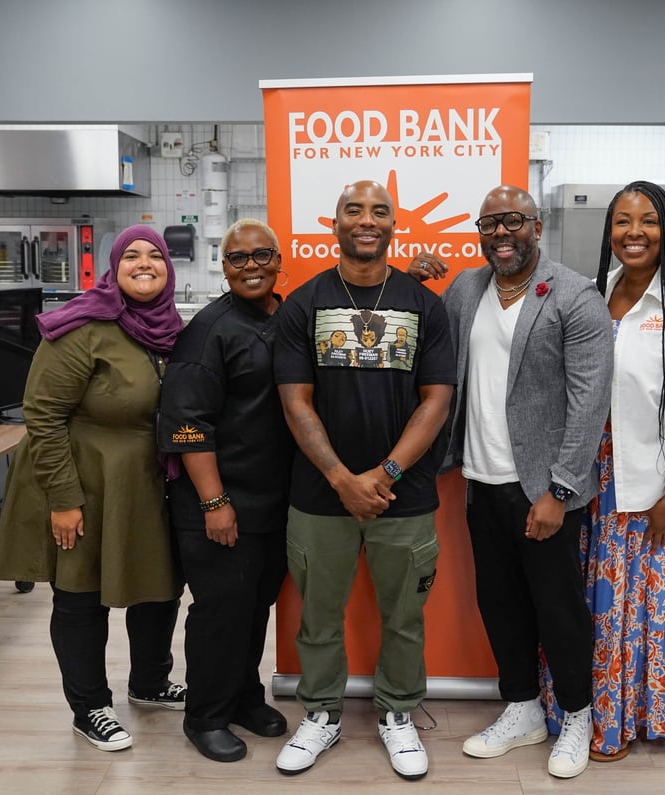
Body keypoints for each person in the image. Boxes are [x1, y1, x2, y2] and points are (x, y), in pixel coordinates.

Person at [411, 185, 614, 779]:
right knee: (499, 603)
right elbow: (429, 350)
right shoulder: (467, 289)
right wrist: (410, 282)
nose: (501, 233)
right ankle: (523, 707)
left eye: (513, 222)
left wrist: (561, 491)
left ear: (536, 226)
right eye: (490, 223)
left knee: (558, 609)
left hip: (545, 490)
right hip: (482, 479)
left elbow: (588, 402)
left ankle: (578, 716)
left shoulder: (574, 295)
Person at [273, 180, 456, 780]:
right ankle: (321, 715)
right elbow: (296, 402)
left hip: (404, 496)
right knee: (319, 615)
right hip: (319, 497)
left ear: (394, 225)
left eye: (380, 211)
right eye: (355, 210)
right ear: (335, 223)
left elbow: (435, 400)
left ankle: (398, 713)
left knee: (404, 615)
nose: (367, 220)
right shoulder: (303, 304)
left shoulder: (424, 304)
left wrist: (384, 473)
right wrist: (340, 477)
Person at [0, 225, 186, 751]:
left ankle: (149, 683)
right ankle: (89, 706)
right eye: (132, 256)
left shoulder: (168, 329)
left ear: (169, 268)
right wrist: (64, 500)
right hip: (84, 480)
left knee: (158, 588)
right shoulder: (82, 328)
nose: (145, 264)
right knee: (81, 595)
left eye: (155, 256)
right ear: (113, 268)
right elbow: (43, 415)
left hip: (147, 481)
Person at [552, 180, 665, 761]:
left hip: (660, 482)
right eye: (622, 221)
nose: (633, 232)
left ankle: (631, 719)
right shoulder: (593, 295)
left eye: (647, 220)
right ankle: (591, 713)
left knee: (649, 606)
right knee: (599, 605)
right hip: (597, 477)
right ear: (608, 232)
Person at [157, 219, 294, 762]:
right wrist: (214, 503)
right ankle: (205, 715)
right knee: (219, 612)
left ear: (279, 259)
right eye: (238, 258)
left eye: (262, 255)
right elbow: (188, 425)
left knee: (253, 606)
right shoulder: (208, 331)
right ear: (223, 265)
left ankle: (242, 697)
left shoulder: (286, 317)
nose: (252, 265)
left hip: (272, 501)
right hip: (218, 504)